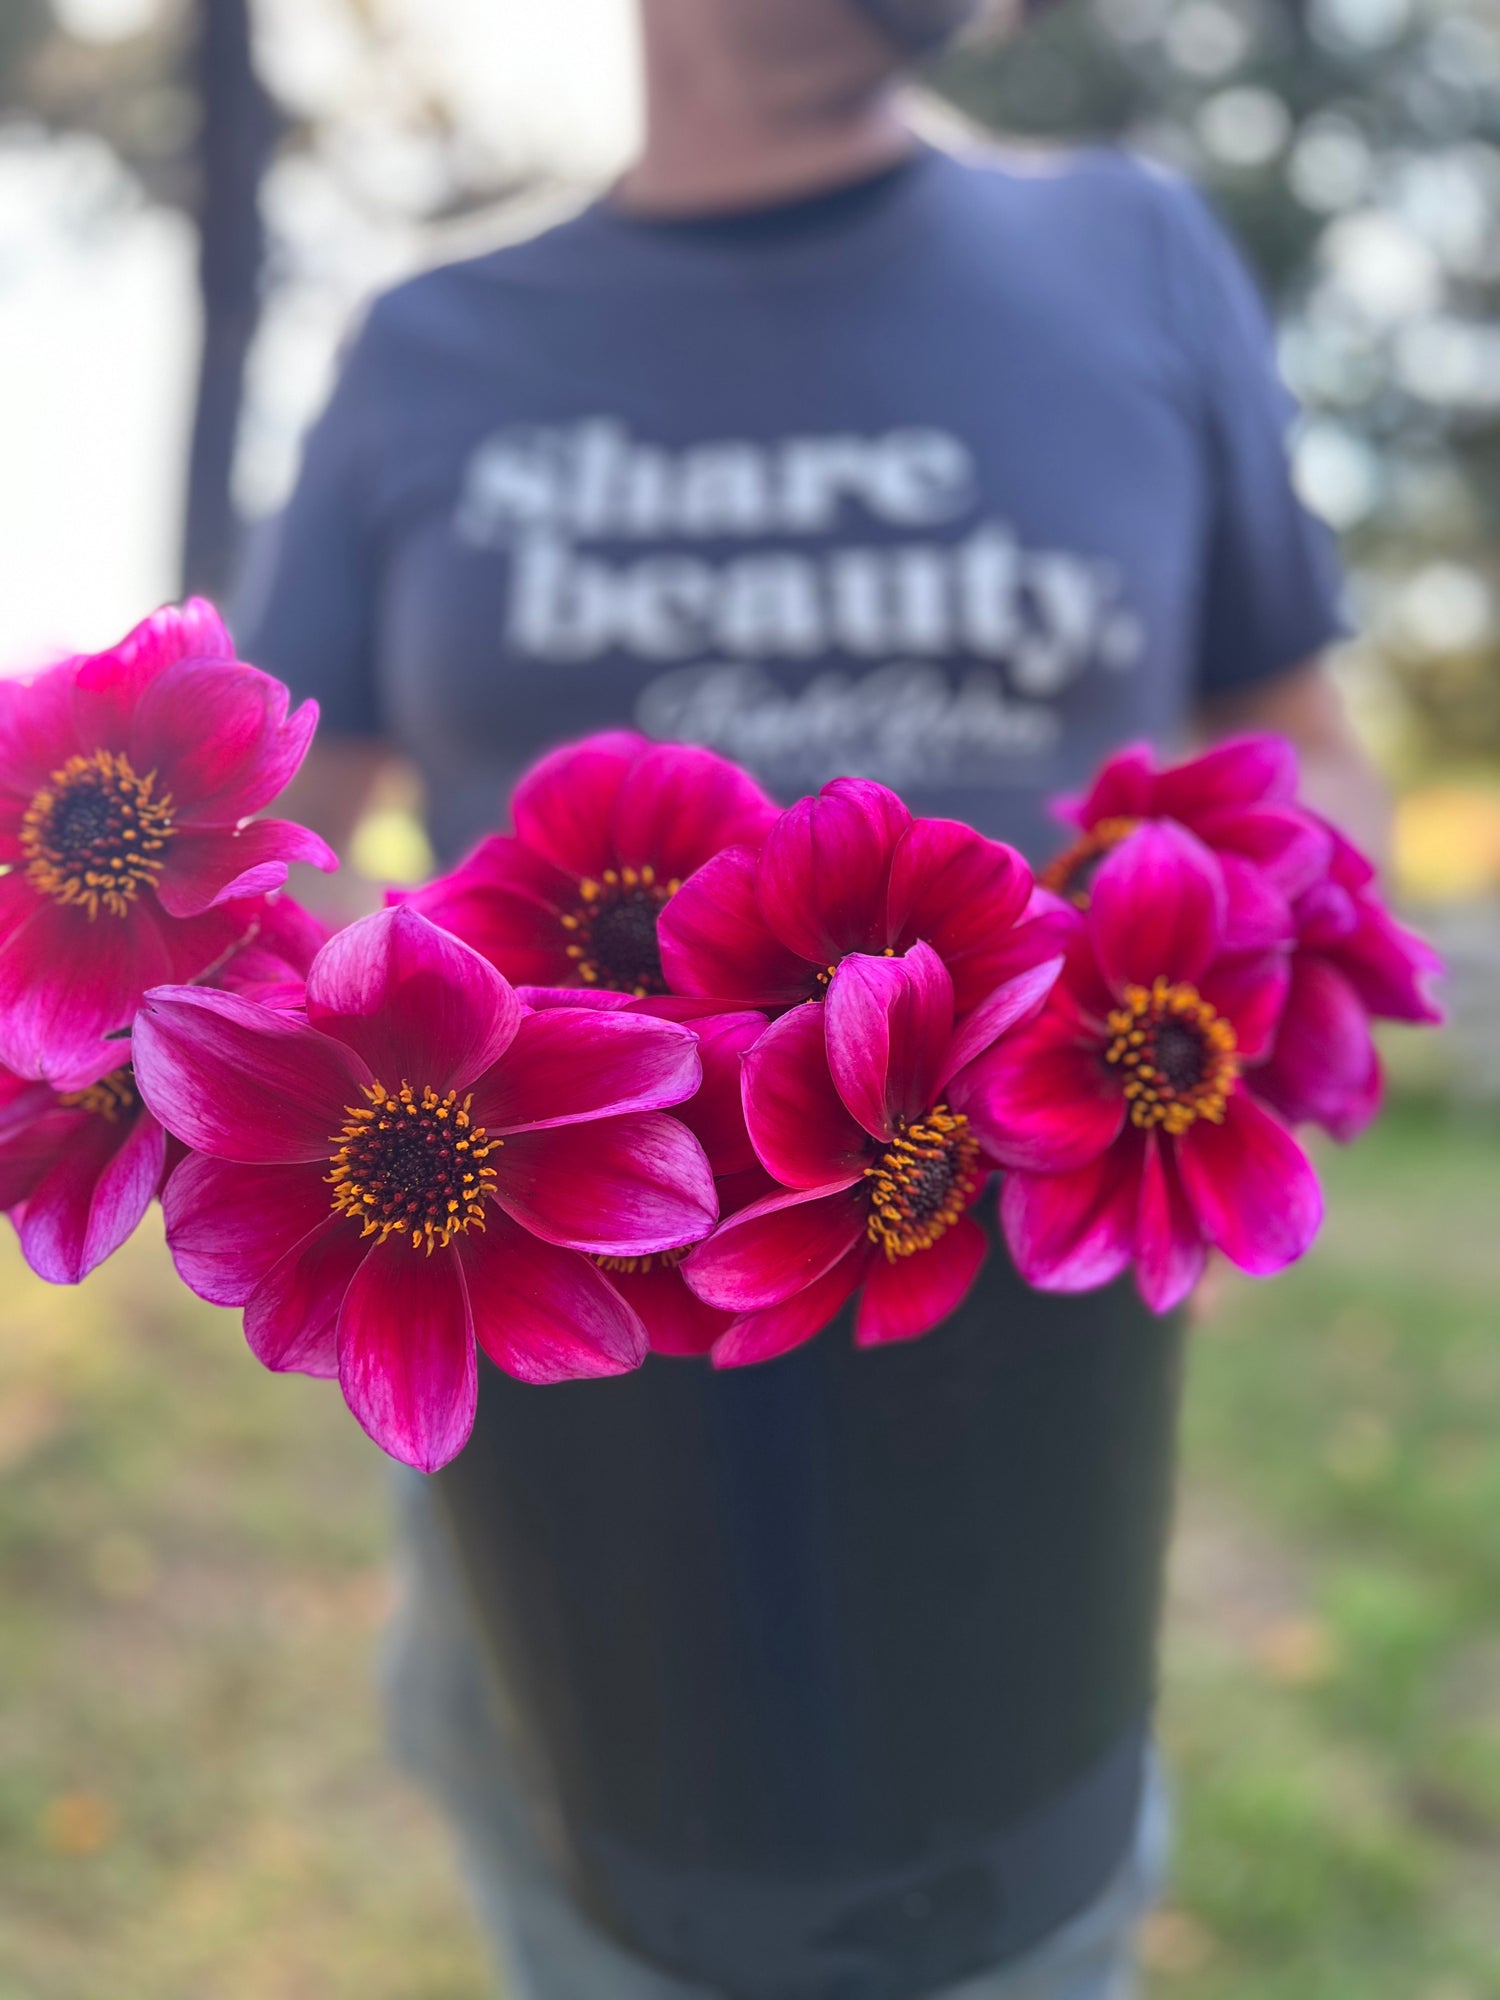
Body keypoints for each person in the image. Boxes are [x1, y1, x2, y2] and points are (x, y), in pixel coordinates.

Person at [239, 2, 1386, 1994]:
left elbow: (1308, 755)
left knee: (1016, 1917)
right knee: (606, 1912)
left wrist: (1231, 959)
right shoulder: (429, 346)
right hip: (562, 1377)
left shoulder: (1129, 253)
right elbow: (283, 844)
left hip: (1017, 1386)